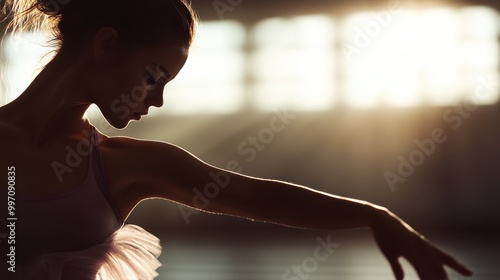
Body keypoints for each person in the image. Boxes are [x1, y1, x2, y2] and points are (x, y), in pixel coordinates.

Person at [0, 0, 473, 279]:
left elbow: (254, 195)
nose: (158, 100)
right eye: (153, 76)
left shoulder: (126, 166)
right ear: (105, 46)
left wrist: (375, 216)